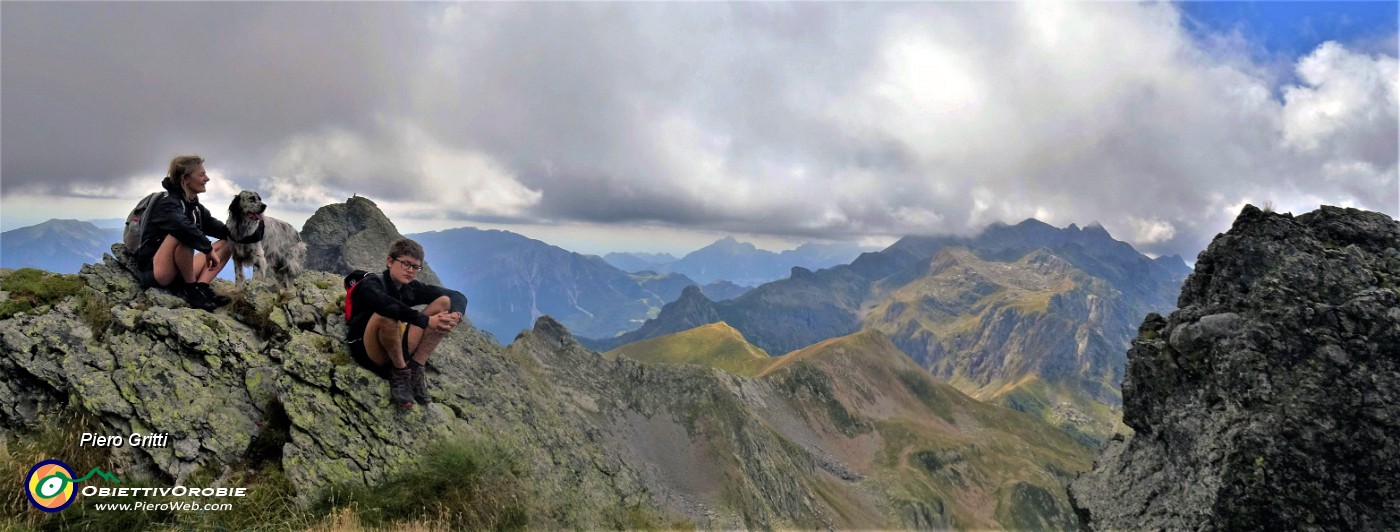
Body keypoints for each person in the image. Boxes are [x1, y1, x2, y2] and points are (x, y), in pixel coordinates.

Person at [345, 238, 467, 408]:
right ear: (390, 261)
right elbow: (385, 304)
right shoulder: (371, 283)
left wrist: (457, 315)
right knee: (386, 315)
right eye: (405, 264)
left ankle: (416, 368)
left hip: (396, 344)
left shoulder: (410, 288)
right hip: (369, 351)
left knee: (445, 302)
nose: (410, 271)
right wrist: (426, 321)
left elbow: (457, 296)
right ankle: (400, 373)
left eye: (416, 267)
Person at [133, 155, 263, 311]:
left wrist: (252, 232)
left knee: (228, 243)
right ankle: (191, 290)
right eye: (201, 174)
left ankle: (201, 288)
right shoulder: (167, 202)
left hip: (178, 270)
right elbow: (183, 227)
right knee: (182, 233)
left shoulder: (194, 206)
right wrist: (207, 249)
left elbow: (220, 229)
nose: (206, 178)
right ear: (185, 179)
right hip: (157, 270)